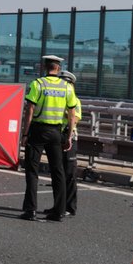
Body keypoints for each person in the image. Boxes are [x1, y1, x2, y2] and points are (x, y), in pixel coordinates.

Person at [19, 55, 79, 221]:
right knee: (57, 171)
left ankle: (30, 210)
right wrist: (68, 136)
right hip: (56, 133)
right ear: (58, 68)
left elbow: (29, 110)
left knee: (32, 170)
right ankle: (59, 211)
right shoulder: (67, 87)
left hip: (38, 131)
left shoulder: (37, 84)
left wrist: (25, 133)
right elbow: (72, 113)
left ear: (45, 67)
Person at [48, 70, 83, 217]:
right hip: (56, 136)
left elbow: (75, 118)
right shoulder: (59, 99)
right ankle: (58, 205)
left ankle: (69, 206)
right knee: (57, 173)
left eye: (67, 83)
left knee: (69, 174)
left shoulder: (74, 100)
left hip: (68, 137)